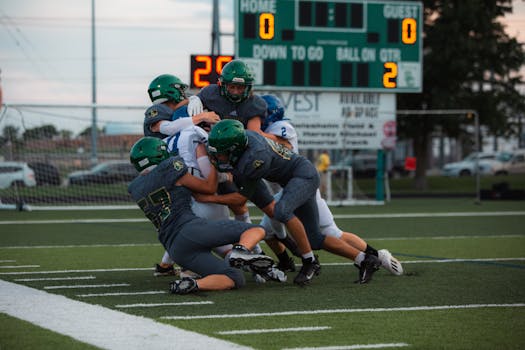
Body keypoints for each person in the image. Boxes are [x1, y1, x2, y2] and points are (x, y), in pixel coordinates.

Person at [198, 120, 383, 285]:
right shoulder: (244, 143)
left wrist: (207, 198)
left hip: (304, 176)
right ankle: (364, 260)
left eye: (221, 154)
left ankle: (309, 262)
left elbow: (240, 199)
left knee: (282, 210)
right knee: (315, 239)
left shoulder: (255, 157)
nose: (217, 157)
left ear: (235, 149)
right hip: (294, 180)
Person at [259, 94, 403, 278]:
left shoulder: (282, 127)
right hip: (289, 189)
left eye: (260, 115)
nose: (257, 120)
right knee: (274, 228)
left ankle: (375, 256)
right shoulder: (269, 129)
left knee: (273, 228)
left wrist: (252, 130)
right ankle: (289, 259)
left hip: (300, 187)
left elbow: (274, 144)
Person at [127, 136, 274, 294]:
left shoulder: (135, 187)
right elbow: (209, 187)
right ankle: (239, 253)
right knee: (258, 230)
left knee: (234, 277)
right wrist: (211, 161)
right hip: (190, 229)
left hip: (174, 247)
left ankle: (194, 284)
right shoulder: (170, 168)